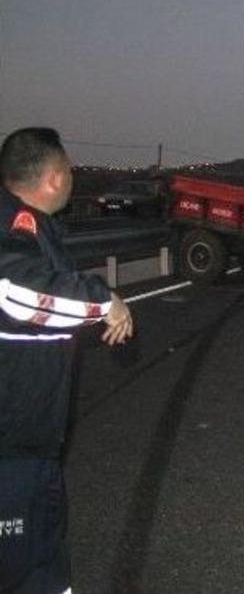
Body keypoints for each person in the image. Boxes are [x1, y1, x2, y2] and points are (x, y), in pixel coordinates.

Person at [1, 127, 135, 594]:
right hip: (9, 444)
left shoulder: (36, 226)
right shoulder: (11, 226)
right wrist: (104, 302)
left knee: (43, 557)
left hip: (33, 436)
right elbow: (15, 293)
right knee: (17, 566)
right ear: (55, 176)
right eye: (71, 169)